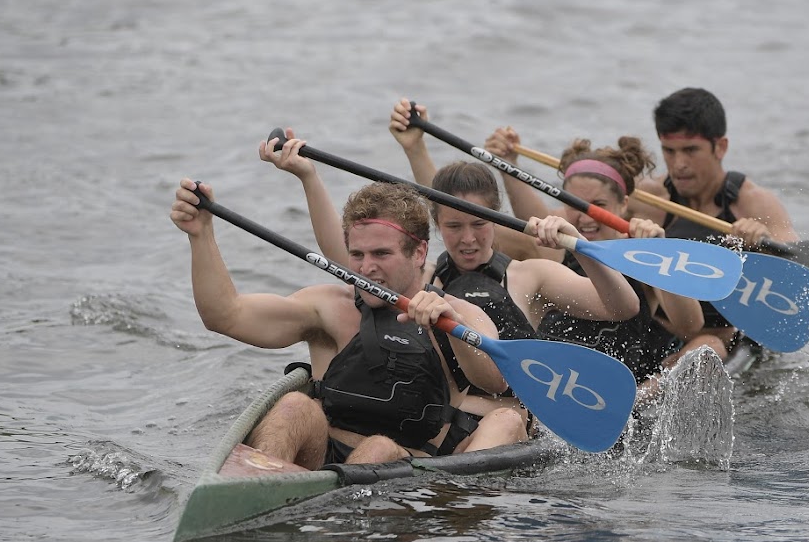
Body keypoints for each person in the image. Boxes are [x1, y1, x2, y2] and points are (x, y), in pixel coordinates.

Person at [265, 121, 639, 429]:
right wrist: (308, 178)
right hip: (443, 417)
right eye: (454, 226)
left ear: (497, 218)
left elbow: (623, 308)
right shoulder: (425, 276)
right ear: (436, 227)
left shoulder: (532, 275)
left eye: (480, 223)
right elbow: (344, 255)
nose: (468, 239)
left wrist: (579, 249)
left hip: (510, 418)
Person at [169, 175, 527, 472]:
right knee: (294, 406)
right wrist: (199, 235)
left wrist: (455, 328)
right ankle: (252, 492)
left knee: (378, 449)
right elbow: (224, 316)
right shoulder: (327, 308)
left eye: (381, 254)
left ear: (418, 253)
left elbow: (494, 381)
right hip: (322, 458)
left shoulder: (456, 315)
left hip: (410, 476)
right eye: (357, 254)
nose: (366, 268)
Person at [479, 127, 726, 381]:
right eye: (574, 205)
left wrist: (660, 254)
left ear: (623, 205)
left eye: (599, 207)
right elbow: (471, 228)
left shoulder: (641, 255)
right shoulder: (555, 249)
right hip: (555, 380)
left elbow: (690, 325)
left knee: (710, 346)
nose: (585, 218)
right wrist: (507, 165)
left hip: (624, 385)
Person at [631, 87, 801, 350]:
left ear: (720, 147)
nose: (678, 164)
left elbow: (799, 273)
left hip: (719, 340)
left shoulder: (753, 202)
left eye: (690, 150)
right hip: (658, 330)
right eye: (669, 151)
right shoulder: (648, 197)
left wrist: (763, 243)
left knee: (708, 346)